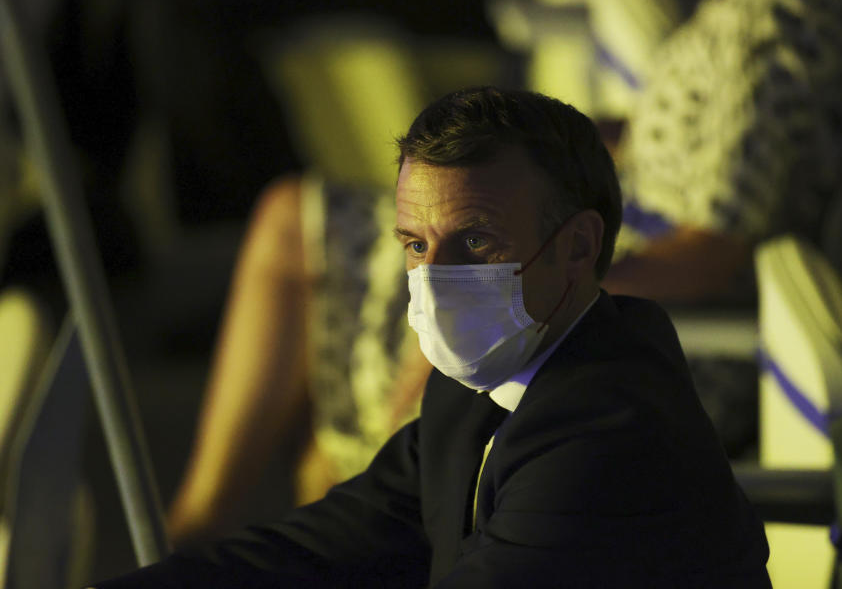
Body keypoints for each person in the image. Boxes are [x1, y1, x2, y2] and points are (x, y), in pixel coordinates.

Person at [98, 87, 770, 587]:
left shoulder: (605, 442)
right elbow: (327, 544)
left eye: (475, 242)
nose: (435, 279)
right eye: (416, 245)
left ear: (578, 246)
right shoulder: (485, 381)